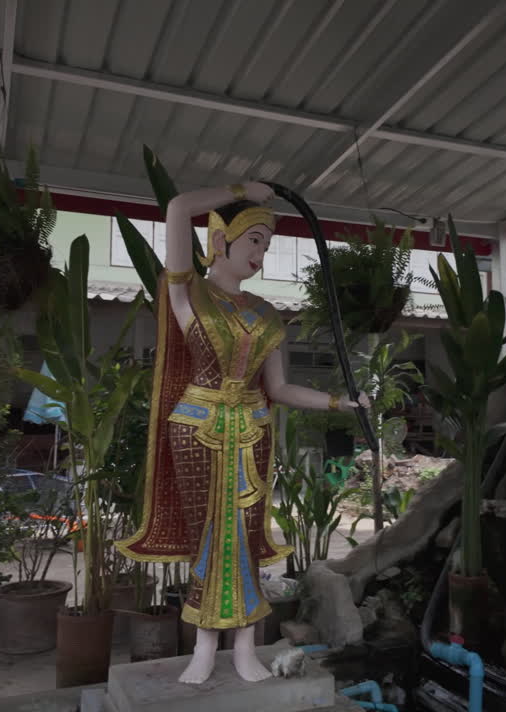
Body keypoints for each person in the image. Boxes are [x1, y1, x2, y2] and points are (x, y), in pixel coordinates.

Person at [116, 181, 369, 684]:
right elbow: (178, 206)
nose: (261, 253)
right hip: (198, 427)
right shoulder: (189, 295)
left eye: (266, 245)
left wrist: (341, 401)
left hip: (252, 432)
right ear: (219, 241)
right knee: (208, 537)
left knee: (248, 537)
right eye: (254, 240)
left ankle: (246, 647)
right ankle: (205, 648)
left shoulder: (266, 313)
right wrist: (241, 188)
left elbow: (279, 388)